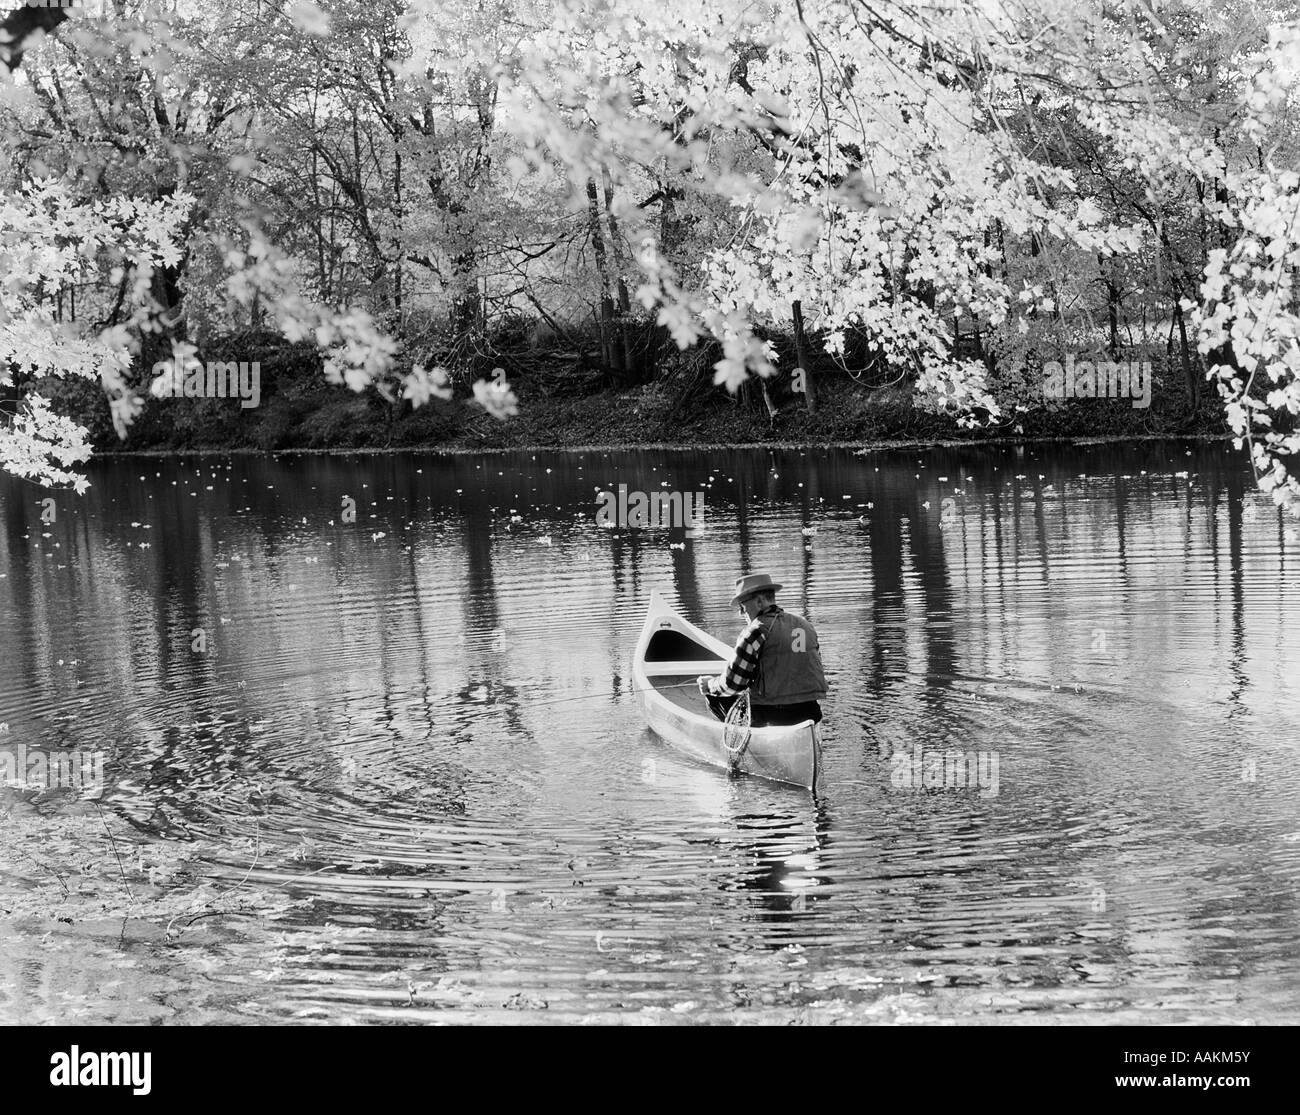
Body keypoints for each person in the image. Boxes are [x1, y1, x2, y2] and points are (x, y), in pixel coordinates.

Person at [696, 573, 826, 728]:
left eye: (742, 606)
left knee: (715, 694)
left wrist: (709, 685)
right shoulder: (805, 625)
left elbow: (732, 685)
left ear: (759, 601)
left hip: (770, 716)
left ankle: (743, 737)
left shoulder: (755, 630)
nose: (741, 613)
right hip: (810, 712)